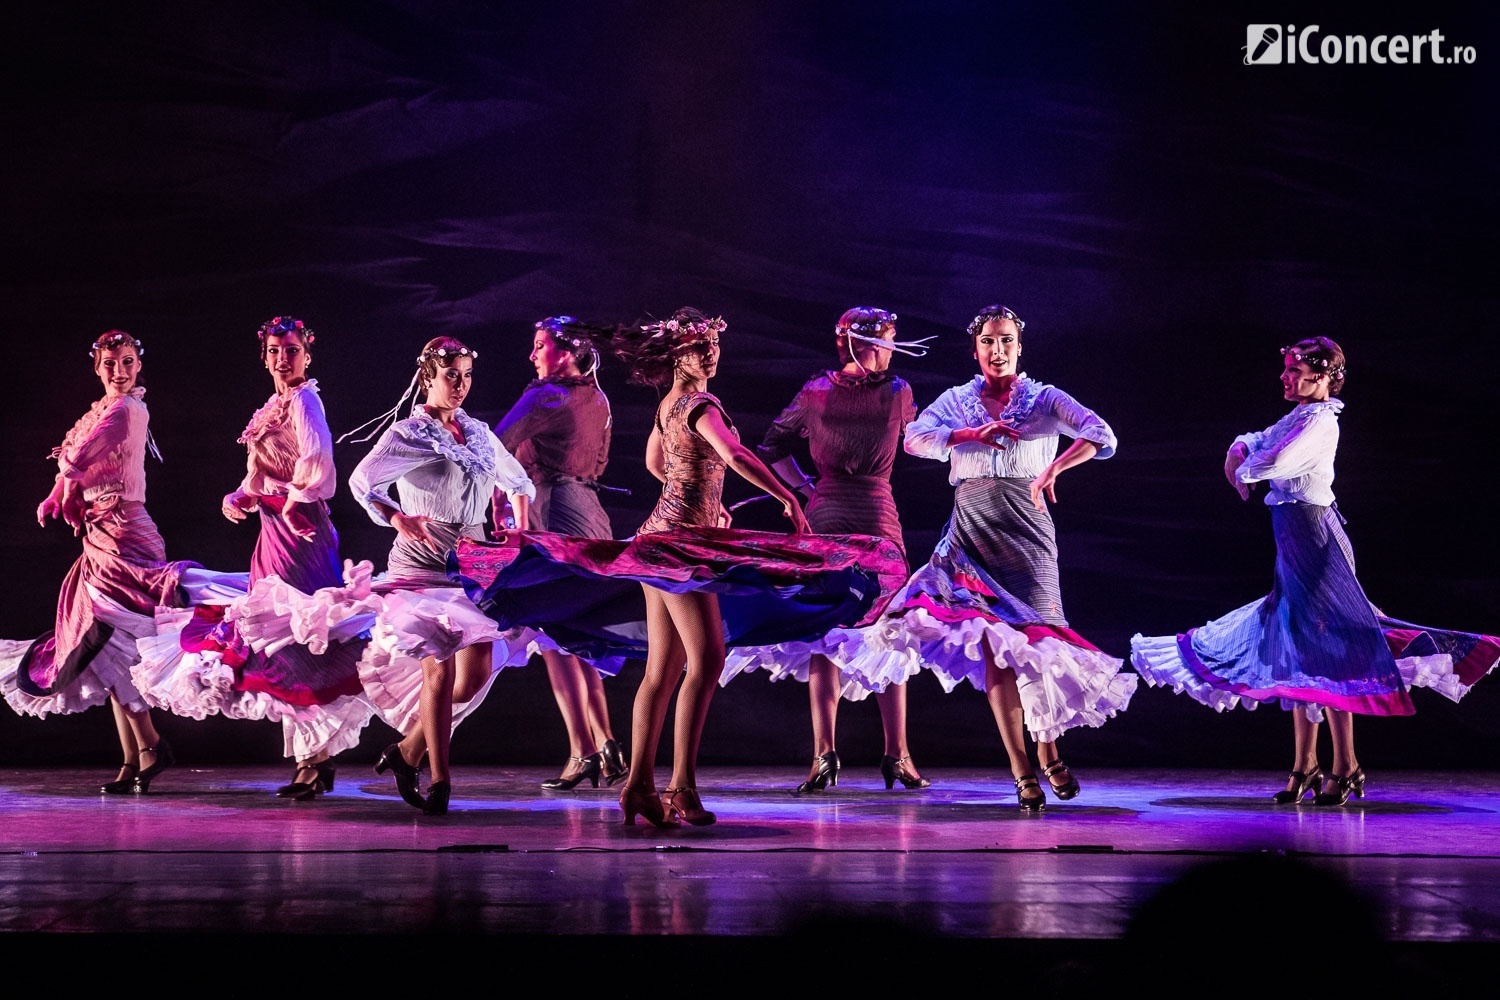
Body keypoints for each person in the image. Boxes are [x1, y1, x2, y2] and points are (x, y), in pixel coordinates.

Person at [450, 307, 905, 828]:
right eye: (699, 346)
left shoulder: (669, 404)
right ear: (678, 355)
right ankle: (681, 788)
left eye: (714, 344)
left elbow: (657, 462)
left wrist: (702, 498)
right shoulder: (701, 403)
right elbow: (734, 454)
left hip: (660, 538)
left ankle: (640, 787)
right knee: (706, 660)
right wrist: (788, 499)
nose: (711, 353)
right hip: (679, 549)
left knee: (663, 670)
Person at [1130, 338, 1500, 805]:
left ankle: (1346, 766)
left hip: (1318, 543)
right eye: (1285, 368)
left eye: (1293, 369)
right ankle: (1305, 765)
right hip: (1295, 543)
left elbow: (1273, 461)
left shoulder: (1321, 423)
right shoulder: (1299, 417)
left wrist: (1247, 461)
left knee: (1331, 648)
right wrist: (1241, 446)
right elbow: (1256, 442)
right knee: (1299, 647)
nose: (1284, 377)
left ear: (1323, 376)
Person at [875, 304, 1137, 811]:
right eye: (989, 342)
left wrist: (1054, 469)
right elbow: (914, 439)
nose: (998, 351)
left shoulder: (1044, 399)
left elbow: (1102, 435)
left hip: (1028, 534)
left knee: (1038, 649)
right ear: (975, 348)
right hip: (971, 533)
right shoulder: (957, 400)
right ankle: (1021, 769)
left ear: (1020, 346)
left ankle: (1048, 747)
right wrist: (970, 434)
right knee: (996, 648)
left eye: (1007, 342)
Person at [133, 316, 371, 799]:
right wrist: (239, 495)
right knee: (278, 643)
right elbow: (259, 473)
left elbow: (318, 466)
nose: (284, 358)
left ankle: (316, 762)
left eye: (292, 350)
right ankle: (311, 762)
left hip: (300, 533)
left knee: (293, 640)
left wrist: (288, 499)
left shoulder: (304, 400)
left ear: (307, 354)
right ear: (264, 357)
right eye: (276, 351)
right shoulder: (274, 405)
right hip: (273, 532)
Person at [722, 307, 935, 794]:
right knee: (844, 631)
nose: (891, 351)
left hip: (861, 512)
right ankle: (854, 755)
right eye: (886, 342)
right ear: (862, 345)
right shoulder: (874, 392)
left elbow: (773, 444)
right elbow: (772, 445)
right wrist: (802, 490)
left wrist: (802, 488)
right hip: (845, 515)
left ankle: (872, 755)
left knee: (872, 630)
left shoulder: (852, 391)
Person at [344, 336, 536, 815]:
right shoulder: (410, 433)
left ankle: (408, 751)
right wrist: (396, 517)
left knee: (473, 679)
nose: (461, 385)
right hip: (420, 567)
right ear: (428, 376)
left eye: (467, 375)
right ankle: (442, 780)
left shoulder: (477, 433)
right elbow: (362, 481)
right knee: (439, 665)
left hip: (471, 566)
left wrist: (520, 529)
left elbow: (519, 481)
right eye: (452, 375)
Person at [2, 331, 196, 793]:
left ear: (137, 366)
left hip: (127, 531)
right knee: (105, 645)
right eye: (110, 364)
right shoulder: (99, 409)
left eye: (127, 362)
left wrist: (61, 487)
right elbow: (76, 463)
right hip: (100, 533)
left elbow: (84, 454)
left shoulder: (128, 409)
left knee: (107, 635)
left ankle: (149, 746)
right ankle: (134, 757)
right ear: (97, 367)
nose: (119, 371)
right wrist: (62, 493)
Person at [495, 317, 629, 790]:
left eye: (539, 346)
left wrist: (501, 507)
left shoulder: (545, 395)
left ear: (566, 351)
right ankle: (606, 742)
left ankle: (582, 750)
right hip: (591, 511)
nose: (532, 355)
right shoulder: (599, 397)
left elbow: (494, 449)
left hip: (552, 508)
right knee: (577, 632)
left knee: (553, 634)